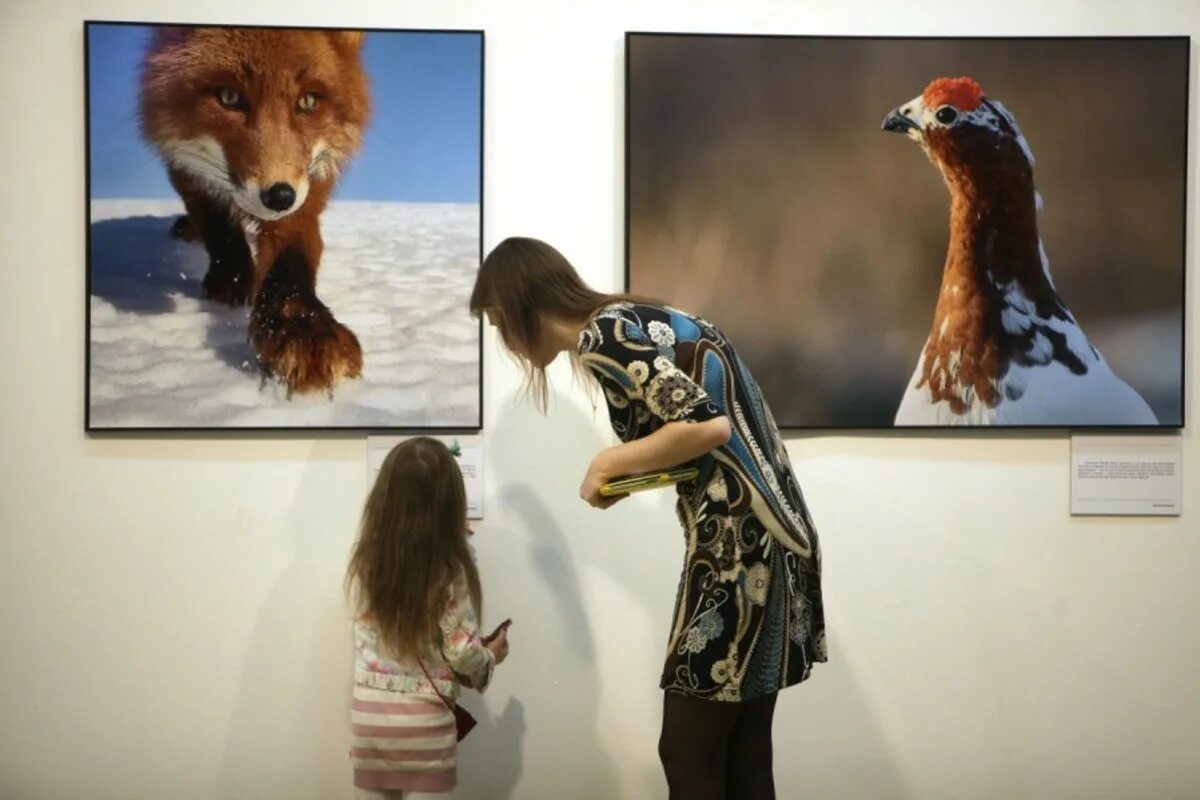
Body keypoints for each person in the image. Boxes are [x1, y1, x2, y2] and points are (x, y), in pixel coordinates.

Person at [470, 237, 825, 800]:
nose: (500, 337)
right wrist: (631, 481)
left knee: (685, 751)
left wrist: (609, 459)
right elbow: (701, 447)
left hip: (738, 549)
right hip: (778, 536)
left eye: (496, 321)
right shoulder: (627, 318)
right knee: (744, 752)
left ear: (519, 304)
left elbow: (708, 428)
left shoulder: (600, 336)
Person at [345, 437, 511, 799]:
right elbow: (462, 654)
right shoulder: (450, 570)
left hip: (370, 719)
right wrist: (492, 656)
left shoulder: (365, 561)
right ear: (449, 502)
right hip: (422, 722)